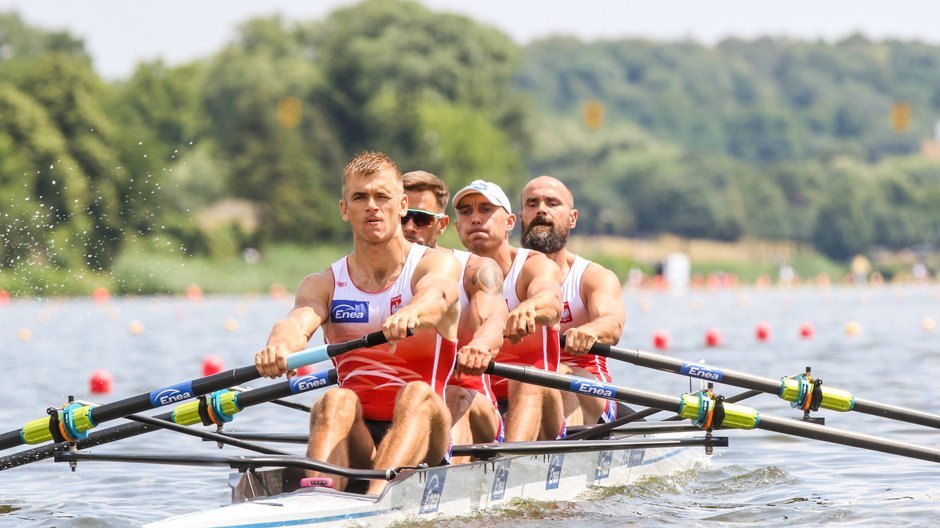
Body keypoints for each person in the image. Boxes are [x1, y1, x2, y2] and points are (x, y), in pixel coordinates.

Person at [255, 152, 461, 494]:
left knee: (417, 393)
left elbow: (437, 296)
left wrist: (412, 313)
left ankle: (376, 498)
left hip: (428, 435)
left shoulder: (433, 265)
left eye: (382, 197)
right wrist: (278, 347)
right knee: (334, 399)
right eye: (360, 197)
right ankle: (318, 496)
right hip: (358, 436)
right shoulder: (324, 282)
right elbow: (295, 322)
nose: (372, 206)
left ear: (402, 204)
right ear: (343, 209)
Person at [401, 171, 507, 458]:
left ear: (441, 225)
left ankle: (445, 482)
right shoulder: (369, 276)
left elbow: (494, 319)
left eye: (421, 219)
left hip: (468, 395)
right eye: (403, 217)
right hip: (398, 401)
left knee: (454, 395)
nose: (410, 227)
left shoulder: (474, 269)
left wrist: (480, 345)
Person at [452, 179, 565, 442]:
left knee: (528, 378)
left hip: (539, 402)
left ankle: (509, 463)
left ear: (510, 222)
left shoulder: (533, 265)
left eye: (486, 210)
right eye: (466, 212)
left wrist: (529, 307)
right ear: (457, 227)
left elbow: (551, 299)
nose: (476, 219)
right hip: (481, 403)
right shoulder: (449, 270)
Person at [520, 175, 625, 426]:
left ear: (572, 218)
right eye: (532, 204)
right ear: (520, 216)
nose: (541, 209)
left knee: (557, 376)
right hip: (521, 384)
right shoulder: (500, 276)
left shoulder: (592, 277)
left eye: (552, 203)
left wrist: (589, 330)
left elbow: (612, 323)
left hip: (587, 385)